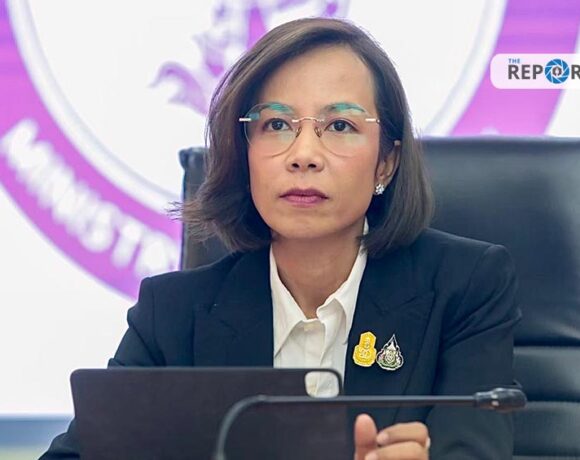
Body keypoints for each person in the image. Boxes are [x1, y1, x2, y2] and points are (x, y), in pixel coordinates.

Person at [41, 17, 521, 460]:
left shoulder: (464, 287)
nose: (304, 154)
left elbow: (474, 450)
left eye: (340, 125)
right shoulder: (173, 314)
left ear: (386, 162)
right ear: (244, 153)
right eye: (276, 124)